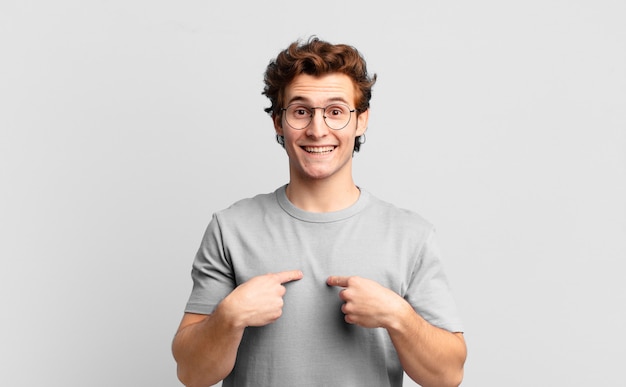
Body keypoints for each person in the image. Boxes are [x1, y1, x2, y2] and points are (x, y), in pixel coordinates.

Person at [172, 36, 467, 387]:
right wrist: (229, 316)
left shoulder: (410, 235)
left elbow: (449, 376)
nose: (317, 129)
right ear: (278, 123)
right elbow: (190, 374)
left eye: (336, 112)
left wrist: (398, 316)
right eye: (301, 111)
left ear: (361, 121)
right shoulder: (230, 228)